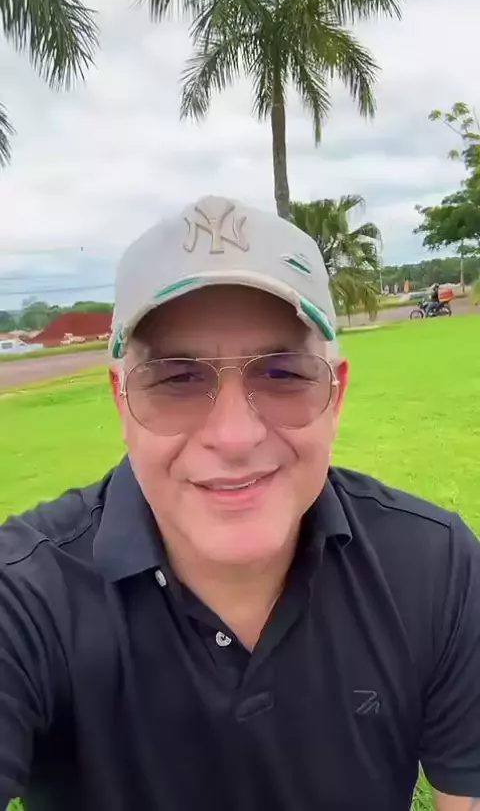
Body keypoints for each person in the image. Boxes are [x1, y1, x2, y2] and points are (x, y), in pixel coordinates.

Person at [1, 195, 480, 811]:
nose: (234, 436)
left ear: (335, 397)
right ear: (122, 401)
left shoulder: (434, 566)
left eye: (283, 374)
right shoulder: (28, 597)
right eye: (177, 379)